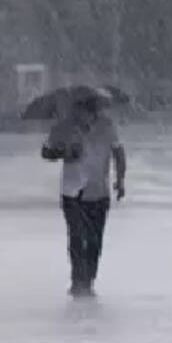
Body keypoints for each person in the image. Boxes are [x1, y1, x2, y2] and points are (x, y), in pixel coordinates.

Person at [41, 95, 126, 297]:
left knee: (95, 240)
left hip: (98, 191)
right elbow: (45, 152)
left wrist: (120, 180)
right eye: (76, 111)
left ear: (93, 111)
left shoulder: (107, 126)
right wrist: (64, 153)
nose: (79, 116)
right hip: (72, 192)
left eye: (84, 112)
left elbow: (119, 152)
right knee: (77, 237)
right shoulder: (63, 127)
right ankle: (77, 281)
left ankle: (89, 280)